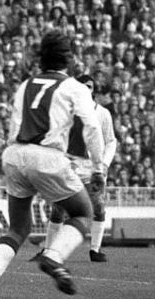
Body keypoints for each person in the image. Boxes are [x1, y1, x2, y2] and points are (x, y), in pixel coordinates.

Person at [0, 31, 105, 298]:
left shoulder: (25, 85)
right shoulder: (75, 87)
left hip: (14, 154)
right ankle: (53, 257)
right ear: (68, 58)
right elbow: (92, 127)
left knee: (18, 229)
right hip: (47, 156)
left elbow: (15, 124)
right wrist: (98, 168)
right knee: (83, 212)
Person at [34, 74, 117, 263]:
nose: (86, 89)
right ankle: (48, 250)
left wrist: (104, 164)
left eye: (89, 86)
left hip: (93, 169)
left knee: (98, 207)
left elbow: (111, 141)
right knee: (59, 208)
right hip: (69, 166)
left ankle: (95, 250)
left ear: (93, 90)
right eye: (82, 85)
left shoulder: (102, 113)